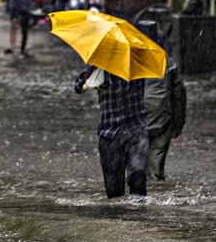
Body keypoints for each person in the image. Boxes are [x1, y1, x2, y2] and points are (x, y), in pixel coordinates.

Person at [75, 68, 150, 199]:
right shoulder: (99, 68)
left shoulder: (137, 65)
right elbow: (79, 87)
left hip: (135, 131)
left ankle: (137, 217)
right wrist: (88, 74)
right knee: (114, 192)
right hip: (110, 134)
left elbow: (78, 88)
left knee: (138, 183)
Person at [137, 21, 187, 181]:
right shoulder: (166, 60)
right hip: (161, 115)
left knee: (137, 162)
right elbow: (179, 95)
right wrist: (178, 124)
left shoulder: (129, 59)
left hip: (135, 116)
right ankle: (156, 191)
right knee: (156, 160)